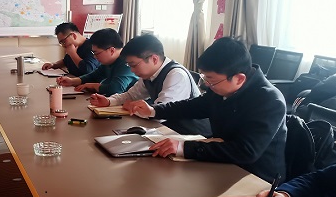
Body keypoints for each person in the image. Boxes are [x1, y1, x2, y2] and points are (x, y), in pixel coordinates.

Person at [143, 37, 286, 182]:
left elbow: (246, 151)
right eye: (205, 78)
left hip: (256, 177)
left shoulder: (269, 100)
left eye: (212, 81)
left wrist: (184, 148)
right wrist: (154, 111)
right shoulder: (221, 88)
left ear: (239, 79)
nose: (207, 85)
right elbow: (193, 106)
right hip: (221, 163)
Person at [88, 34, 210, 135]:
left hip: (190, 135)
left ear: (154, 59)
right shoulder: (149, 74)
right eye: (129, 65)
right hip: (166, 130)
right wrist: (109, 101)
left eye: (134, 65)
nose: (132, 70)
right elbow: (131, 95)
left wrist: (133, 108)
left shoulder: (176, 75)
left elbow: (161, 113)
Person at [56, 28, 138, 96]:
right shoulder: (108, 61)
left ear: (112, 50)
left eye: (97, 53)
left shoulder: (127, 62)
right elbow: (93, 76)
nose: (95, 56)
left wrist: (95, 86)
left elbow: (116, 89)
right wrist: (72, 81)